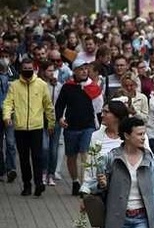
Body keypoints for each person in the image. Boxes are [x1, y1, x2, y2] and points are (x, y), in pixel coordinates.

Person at [79, 117, 154, 228]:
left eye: (144, 134)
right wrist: (101, 184)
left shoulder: (149, 160)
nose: (143, 138)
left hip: (142, 219)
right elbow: (95, 186)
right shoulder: (112, 158)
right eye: (139, 134)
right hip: (118, 219)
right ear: (126, 135)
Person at [2, 59, 55, 196]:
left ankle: (39, 183)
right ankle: (27, 185)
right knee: (24, 159)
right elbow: (8, 103)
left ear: (34, 68)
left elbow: (48, 106)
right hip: (20, 128)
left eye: (29, 68)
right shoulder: (14, 86)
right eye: (25, 68)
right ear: (21, 69)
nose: (27, 70)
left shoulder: (41, 85)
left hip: (36, 126)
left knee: (37, 156)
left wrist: (51, 123)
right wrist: (7, 117)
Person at [56, 59, 101, 195]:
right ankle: (75, 181)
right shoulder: (67, 87)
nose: (84, 71)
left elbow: (99, 108)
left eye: (86, 69)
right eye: (81, 69)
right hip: (71, 127)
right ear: (74, 71)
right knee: (71, 157)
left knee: (85, 154)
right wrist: (60, 118)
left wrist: (100, 125)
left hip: (88, 126)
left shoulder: (93, 87)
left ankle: (85, 184)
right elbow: (59, 106)